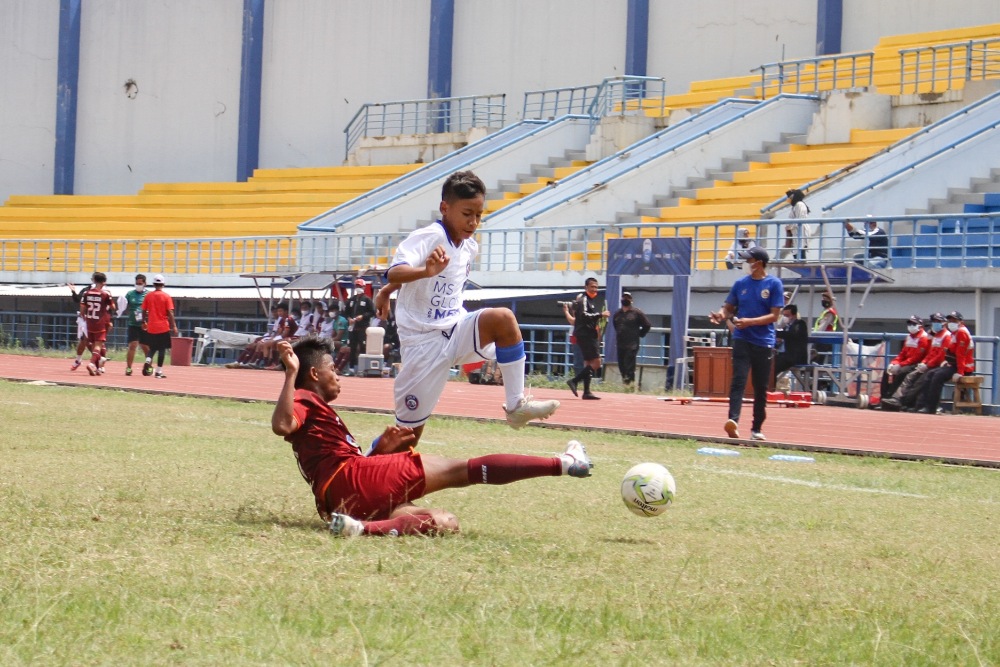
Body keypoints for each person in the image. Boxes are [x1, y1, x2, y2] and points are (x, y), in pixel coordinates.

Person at [270, 338, 591, 537]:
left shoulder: (312, 406)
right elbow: (283, 425)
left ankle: (360, 528)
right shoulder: (304, 396)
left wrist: (380, 451)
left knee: (446, 522)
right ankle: (564, 463)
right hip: (352, 480)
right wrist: (289, 373)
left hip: (341, 500)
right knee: (462, 470)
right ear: (314, 374)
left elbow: (331, 460)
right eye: (331, 369)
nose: (337, 374)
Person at [373, 171, 559, 446]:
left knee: (503, 319)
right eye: (467, 213)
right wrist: (415, 275)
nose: (473, 222)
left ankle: (516, 406)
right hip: (423, 345)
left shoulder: (468, 246)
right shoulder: (429, 236)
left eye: (479, 215)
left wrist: (388, 293)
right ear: (445, 208)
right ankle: (362, 467)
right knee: (406, 440)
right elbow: (394, 271)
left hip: (456, 329)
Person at [709, 247, 784, 441]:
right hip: (742, 339)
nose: (745, 263)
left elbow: (774, 316)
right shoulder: (740, 283)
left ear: (758, 263)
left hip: (763, 342)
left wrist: (750, 321)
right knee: (738, 381)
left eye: (748, 260)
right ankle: (732, 421)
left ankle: (756, 428)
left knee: (760, 387)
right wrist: (720, 315)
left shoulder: (774, 284)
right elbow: (728, 308)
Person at [887, 312, 951, 412]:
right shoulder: (935, 336)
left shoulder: (946, 336)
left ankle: (910, 403)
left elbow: (940, 356)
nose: (935, 323)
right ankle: (897, 399)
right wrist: (924, 363)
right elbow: (930, 353)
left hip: (937, 365)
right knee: (910, 377)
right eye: (934, 321)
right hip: (928, 365)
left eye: (938, 321)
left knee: (920, 380)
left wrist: (927, 365)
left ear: (944, 323)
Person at [914, 311, 975, 415]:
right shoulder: (954, 333)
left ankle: (932, 407)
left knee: (938, 376)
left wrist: (960, 372)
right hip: (954, 364)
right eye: (950, 320)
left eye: (954, 320)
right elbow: (951, 352)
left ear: (961, 322)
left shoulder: (961, 333)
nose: (951, 322)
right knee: (930, 374)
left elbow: (961, 355)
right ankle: (922, 405)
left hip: (963, 367)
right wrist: (947, 362)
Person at [566, 277, 610, 400]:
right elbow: (584, 316)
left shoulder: (590, 301)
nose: (594, 289)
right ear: (586, 287)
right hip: (586, 335)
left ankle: (586, 391)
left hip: (587, 334)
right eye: (592, 287)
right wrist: (601, 315)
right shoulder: (583, 300)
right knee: (597, 362)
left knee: (588, 363)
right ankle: (574, 381)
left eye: (596, 287)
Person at [877, 315, 930, 406]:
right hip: (906, 363)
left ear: (920, 326)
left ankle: (892, 397)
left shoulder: (923, 338)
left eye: (913, 324)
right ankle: (883, 397)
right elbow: (902, 354)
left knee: (901, 372)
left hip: (916, 364)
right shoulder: (909, 337)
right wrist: (894, 363)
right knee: (887, 371)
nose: (910, 325)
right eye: (909, 323)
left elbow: (916, 358)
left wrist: (900, 365)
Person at [140, 274, 179, 379]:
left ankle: (148, 360)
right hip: (163, 327)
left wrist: (143, 321)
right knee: (162, 349)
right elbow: (170, 312)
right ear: (163, 284)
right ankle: (158, 371)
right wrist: (174, 326)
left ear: (154, 284)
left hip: (151, 326)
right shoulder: (166, 296)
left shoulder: (148, 296)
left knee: (152, 348)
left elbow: (143, 310)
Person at [78, 272, 117, 376]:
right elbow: (113, 307)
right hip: (101, 322)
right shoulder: (105, 294)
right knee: (98, 345)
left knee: (94, 344)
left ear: (94, 280)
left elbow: (82, 309)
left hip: (89, 321)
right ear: (104, 282)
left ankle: (99, 367)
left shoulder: (86, 293)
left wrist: (85, 318)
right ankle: (92, 364)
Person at [611, 291, 651, 389]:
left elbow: (647, 325)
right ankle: (626, 385)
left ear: (631, 300)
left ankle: (630, 386)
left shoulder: (637, 313)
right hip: (620, 344)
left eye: (628, 298)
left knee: (629, 366)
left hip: (632, 344)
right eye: (624, 297)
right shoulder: (617, 314)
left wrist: (640, 334)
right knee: (622, 366)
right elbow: (615, 325)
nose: (626, 299)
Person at [117, 274, 151, 376]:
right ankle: (128, 368)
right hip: (133, 324)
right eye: (137, 283)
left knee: (145, 347)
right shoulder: (130, 294)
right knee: (132, 345)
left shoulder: (148, 295)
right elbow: (124, 305)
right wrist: (130, 313)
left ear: (145, 283)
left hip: (144, 325)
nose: (138, 285)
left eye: (140, 284)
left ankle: (148, 366)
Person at [345, 279, 376, 371]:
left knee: (363, 347)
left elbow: (372, 312)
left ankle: (362, 367)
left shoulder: (367, 300)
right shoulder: (351, 300)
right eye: (357, 286)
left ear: (364, 287)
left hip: (363, 327)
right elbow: (345, 313)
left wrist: (362, 316)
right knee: (352, 347)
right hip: (353, 328)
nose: (358, 288)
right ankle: (351, 367)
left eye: (360, 286)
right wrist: (349, 319)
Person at [773, 304, 809, 380]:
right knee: (770, 362)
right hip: (785, 355)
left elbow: (792, 334)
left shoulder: (800, 324)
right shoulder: (787, 326)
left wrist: (775, 333)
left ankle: (771, 387)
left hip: (795, 357)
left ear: (794, 315)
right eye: (784, 315)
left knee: (774, 367)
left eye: (787, 315)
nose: (785, 317)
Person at [783, 188, 813, 261]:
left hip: (800, 231)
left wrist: (789, 227)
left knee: (800, 250)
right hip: (795, 232)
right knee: (796, 251)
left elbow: (799, 220)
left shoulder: (800, 204)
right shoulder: (795, 206)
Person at [68, 282, 92, 370]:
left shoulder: (103, 292)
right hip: (85, 319)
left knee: (92, 341)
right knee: (84, 340)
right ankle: (95, 360)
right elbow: (78, 300)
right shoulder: (86, 291)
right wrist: (73, 291)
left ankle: (98, 360)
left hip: (96, 320)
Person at [811, 291, 839, 364]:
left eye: (826, 299)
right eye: (823, 298)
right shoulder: (826, 311)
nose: (823, 300)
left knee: (816, 360)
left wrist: (814, 335)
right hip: (822, 339)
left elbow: (822, 327)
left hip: (823, 340)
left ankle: (815, 374)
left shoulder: (829, 312)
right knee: (816, 359)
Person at [561, 300, 585, 376]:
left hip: (579, 339)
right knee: (578, 359)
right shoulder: (580, 312)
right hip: (577, 338)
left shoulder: (584, 312)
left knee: (579, 361)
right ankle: (579, 377)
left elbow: (573, 321)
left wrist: (566, 311)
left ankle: (579, 378)